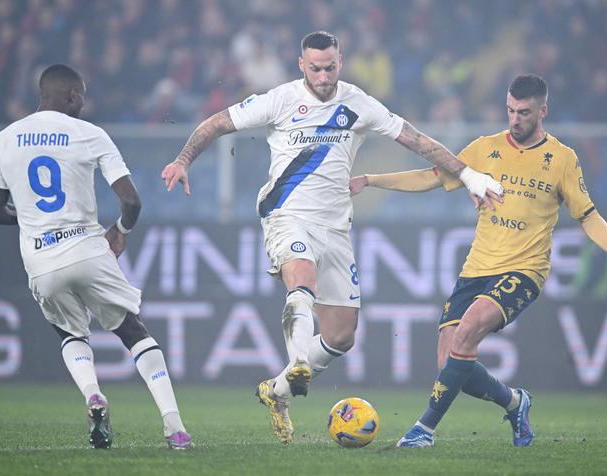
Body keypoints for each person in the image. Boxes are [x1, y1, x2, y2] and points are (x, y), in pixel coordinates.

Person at [161, 31, 504, 444]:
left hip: (336, 227)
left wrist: (467, 174)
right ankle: (299, 361)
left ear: (340, 62)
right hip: (287, 216)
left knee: (342, 335)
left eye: (330, 67)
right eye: (315, 68)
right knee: (301, 273)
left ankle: (278, 390)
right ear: (301, 65)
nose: (323, 76)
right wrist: (183, 160)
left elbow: (415, 140)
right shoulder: (280, 100)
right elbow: (217, 123)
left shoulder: (357, 103)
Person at [350, 74, 607, 448]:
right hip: (476, 268)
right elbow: (431, 177)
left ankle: (423, 429)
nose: (515, 119)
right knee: (449, 365)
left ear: (542, 111)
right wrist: (371, 179)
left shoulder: (563, 160)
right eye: (510, 110)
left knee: (468, 330)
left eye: (523, 112)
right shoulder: (483, 149)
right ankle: (515, 402)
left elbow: (586, 214)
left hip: (525, 270)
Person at [0, 64, 192, 450]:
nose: (84, 101)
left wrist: (35, 220)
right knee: (132, 331)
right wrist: (121, 232)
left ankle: (93, 394)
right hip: (88, 247)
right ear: (72, 96)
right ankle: (174, 426)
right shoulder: (90, 134)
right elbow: (131, 200)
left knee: (70, 332)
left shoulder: (3, 139)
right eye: (82, 95)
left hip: (42, 259)